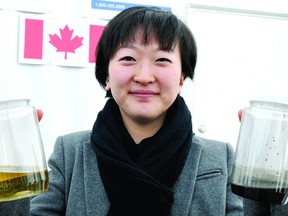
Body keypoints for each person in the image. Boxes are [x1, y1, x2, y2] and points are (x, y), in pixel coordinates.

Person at [0, 6, 245, 215]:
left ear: (182, 78)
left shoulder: (219, 157)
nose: (144, 76)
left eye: (162, 60)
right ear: (106, 75)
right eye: (128, 58)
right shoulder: (70, 153)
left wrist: (276, 168)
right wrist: (13, 159)